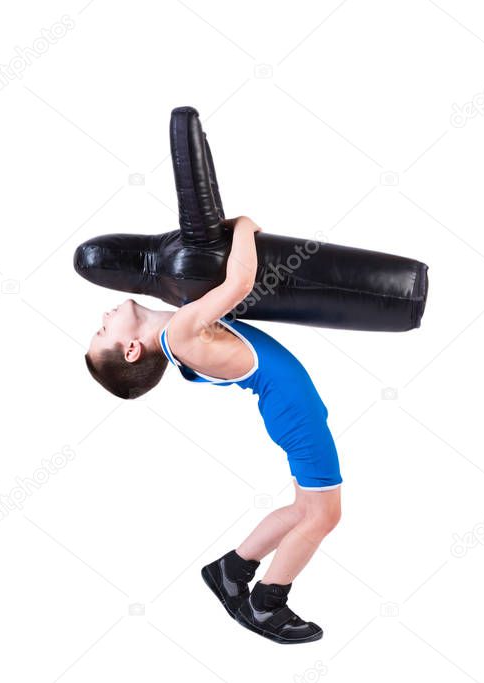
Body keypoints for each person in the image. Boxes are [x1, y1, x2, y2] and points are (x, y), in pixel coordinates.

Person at [84, 216, 342, 644]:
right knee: (324, 515)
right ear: (130, 349)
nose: (105, 316)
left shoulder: (179, 329)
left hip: (295, 412)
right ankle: (266, 604)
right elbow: (240, 285)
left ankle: (231, 571)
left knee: (304, 509)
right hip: (296, 417)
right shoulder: (181, 332)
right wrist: (243, 226)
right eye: (102, 330)